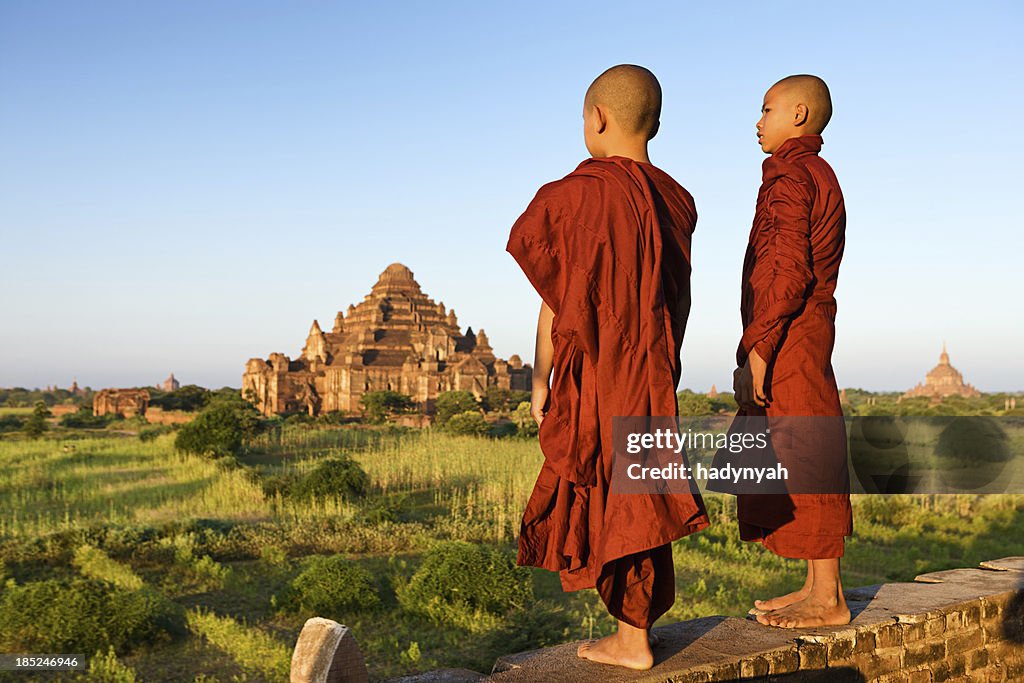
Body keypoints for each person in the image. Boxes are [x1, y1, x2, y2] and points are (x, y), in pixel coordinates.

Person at [505, 64, 709, 670]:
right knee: (641, 487)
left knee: (608, 488)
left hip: (596, 368)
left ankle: (631, 640)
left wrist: (540, 380)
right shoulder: (677, 199)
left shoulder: (571, 197)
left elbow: (555, 303)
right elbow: (681, 295)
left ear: (596, 119)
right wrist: (663, 363)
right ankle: (632, 628)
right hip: (650, 365)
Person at [729, 74, 853, 628]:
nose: (758, 121)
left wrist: (759, 345)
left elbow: (784, 267)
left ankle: (827, 596)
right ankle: (813, 584)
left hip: (792, 330)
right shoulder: (814, 173)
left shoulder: (792, 173)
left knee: (805, 446)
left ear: (800, 114)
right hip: (804, 325)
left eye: (767, 109)